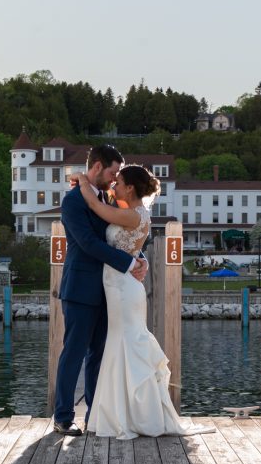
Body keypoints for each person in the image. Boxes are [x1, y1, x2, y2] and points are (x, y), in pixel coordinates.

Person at [74, 164, 210, 440]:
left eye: (118, 182)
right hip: (118, 287)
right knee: (119, 344)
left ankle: (136, 416)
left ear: (130, 188)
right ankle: (122, 413)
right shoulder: (133, 212)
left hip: (124, 289)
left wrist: (80, 179)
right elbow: (129, 247)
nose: (114, 186)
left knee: (127, 344)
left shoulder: (132, 215)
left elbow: (94, 205)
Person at [53, 145, 147, 436]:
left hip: (110, 292)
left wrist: (139, 258)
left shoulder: (106, 198)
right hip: (81, 289)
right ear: (96, 168)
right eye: (112, 171)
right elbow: (89, 244)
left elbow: (124, 236)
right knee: (74, 353)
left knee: (99, 356)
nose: (115, 177)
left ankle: (95, 416)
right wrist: (130, 263)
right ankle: (63, 417)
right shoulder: (72, 202)